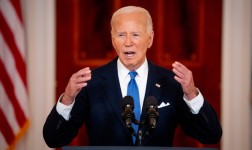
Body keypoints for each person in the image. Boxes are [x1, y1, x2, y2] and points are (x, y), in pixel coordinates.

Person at [43, 6, 222, 147]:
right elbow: (53, 139)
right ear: (113, 40)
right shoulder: (90, 83)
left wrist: (191, 94)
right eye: (121, 35)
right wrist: (67, 99)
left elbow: (210, 135)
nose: (128, 42)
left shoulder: (171, 83)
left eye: (136, 34)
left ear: (150, 39)